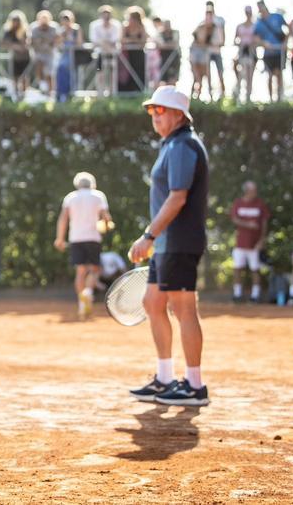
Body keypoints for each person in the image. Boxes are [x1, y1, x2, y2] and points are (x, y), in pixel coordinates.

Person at [127, 85, 210, 407]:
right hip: (166, 244)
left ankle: (195, 386)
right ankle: (165, 378)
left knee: (184, 309)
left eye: (160, 111)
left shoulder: (184, 145)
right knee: (152, 303)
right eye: (151, 111)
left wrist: (148, 235)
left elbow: (178, 197)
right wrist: (154, 239)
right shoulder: (171, 145)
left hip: (180, 241)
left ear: (178, 115)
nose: (154, 117)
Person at [54, 171, 113, 320]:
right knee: (94, 269)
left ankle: (82, 303)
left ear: (77, 184)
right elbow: (106, 217)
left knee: (80, 271)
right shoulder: (98, 196)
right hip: (93, 238)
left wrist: (60, 238)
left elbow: (63, 219)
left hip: (76, 238)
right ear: (92, 183)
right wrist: (106, 225)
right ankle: (88, 292)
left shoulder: (70, 198)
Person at [230, 181, 270, 303]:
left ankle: (255, 295)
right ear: (246, 191)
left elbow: (264, 223)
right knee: (237, 269)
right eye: (253, 190)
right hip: (240, 244)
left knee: (255, 269)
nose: (255, 192)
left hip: (254, 245)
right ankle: (237, 294)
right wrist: (248, 224)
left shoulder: (260, 204)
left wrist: (262, 240)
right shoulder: (238, 203)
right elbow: (234, 219)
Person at [253, 1, 287, 103]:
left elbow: (288, 28)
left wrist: (285, 43)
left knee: (279, 74)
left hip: (279, 52)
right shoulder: (259, 22)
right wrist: (263, 43)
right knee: (270, 75)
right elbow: (256, 37)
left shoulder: (277, 17)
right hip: (267, 53)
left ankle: (280, 97)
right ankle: (271, 98)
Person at [88, 5, 121, 97]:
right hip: (100, 54)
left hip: (112, 54)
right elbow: (94, 41)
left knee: (112, 73)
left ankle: (111, 92)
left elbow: (115, 40)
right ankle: (100, 93)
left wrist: (103, 43)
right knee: (99, 72)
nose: (106, 18)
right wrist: (105, 43)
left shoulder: (116, 25)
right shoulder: (94, 25)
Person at [2, 10, 31, 100]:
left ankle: (24, 95)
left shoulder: (25, 30)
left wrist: (19, 43)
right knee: (14, 76)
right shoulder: (8, 31)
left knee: (24, 77)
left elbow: (26, 44)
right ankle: (15, 93)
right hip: (15, 57)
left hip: (25, 57)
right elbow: (4, 43)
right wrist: (15, 46)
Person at [29, 10, 58, 94]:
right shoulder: (34, 28)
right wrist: (45, 42)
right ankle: (42, 85)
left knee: (49, 74)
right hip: (39, 53)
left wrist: (45, 42)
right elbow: (33, 41)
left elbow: (56, 39)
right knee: (39, 66)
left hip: (50, 54)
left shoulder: (54, 27)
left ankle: (50, 92)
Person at [121, 7, 147, 94]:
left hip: (139, 54)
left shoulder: (142, 27)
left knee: (139, 72)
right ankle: (127, 91)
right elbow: (122, 40)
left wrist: (131, 40)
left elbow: (143, 42)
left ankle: (139, 91)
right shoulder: (125, 27)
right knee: (127, 72)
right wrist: (135, 40)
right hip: (127, 55)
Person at [232, 6, 256, 103]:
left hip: (251, 52)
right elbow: (235, 39)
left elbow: (257, 39)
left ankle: (248, 97)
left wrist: (251, 44)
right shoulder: (240, 26)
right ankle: (237, 94)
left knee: (250, 75)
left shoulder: (255, 26)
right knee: (240, 73)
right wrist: (241, 43)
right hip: (241, 52)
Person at [190, 13, 216, 101]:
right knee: (197, 78)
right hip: (196, 55)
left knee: (203, 77)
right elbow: (201, 41)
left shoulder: (213, 29)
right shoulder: (200, 28)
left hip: (203, 56)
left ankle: (202, 97)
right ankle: (195, 97)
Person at [205, 1, 227, 99]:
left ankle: (223, 94)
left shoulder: (219, 20)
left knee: (220, 72)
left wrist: (222, 42)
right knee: (208, 74)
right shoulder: (204, 21)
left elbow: (223, 32)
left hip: (217, 50)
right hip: (208, 51)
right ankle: (210, 94)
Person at [56, 10, 79, 101]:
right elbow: (58, 44)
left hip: (75, 55)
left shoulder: (76, 29)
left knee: (72, 73)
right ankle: (62, 93)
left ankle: (71, 93)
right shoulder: (61, 31)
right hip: (64, 55)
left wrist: (71, 39)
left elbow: (79, 42)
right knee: (61, 69)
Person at [154, 18, 180, 86]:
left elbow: (175, 44)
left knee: (173, 77)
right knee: (163, 78)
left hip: (174, 59)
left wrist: (165, 45)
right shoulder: (159, 34)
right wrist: (168, 45)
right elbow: (160, 45)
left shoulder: (175, 32)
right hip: (163, 58)